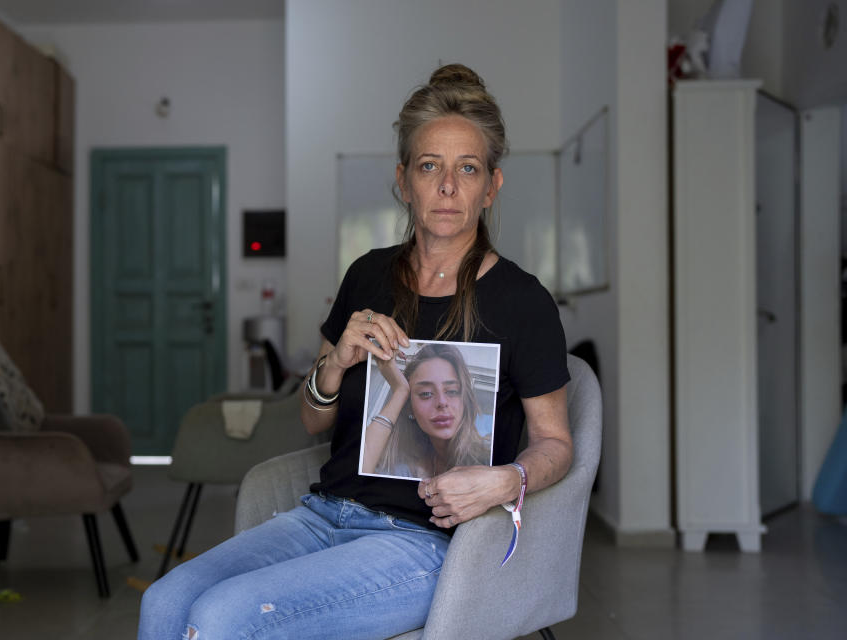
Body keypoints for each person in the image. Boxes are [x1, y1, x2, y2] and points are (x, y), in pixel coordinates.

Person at [138, 63, 573, 640]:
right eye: (429, 167)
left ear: (490, 185)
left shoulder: (523, 301)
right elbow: (311, 417)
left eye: (467, 169)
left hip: (425, 541)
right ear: (402, 180)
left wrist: (505, 480)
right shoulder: (367, 277)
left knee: (222, 617)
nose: (447, 187)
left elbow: (557, 445)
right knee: (164, 603)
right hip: (325, 515)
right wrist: (338, 361)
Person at [362, 342, 491, 478]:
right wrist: (400, 391)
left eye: (452, 391)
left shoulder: (487, 458)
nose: (442, 402)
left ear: (465, 401)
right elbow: (360, 470)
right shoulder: (402, 467)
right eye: (426, 393)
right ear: (409, 408)